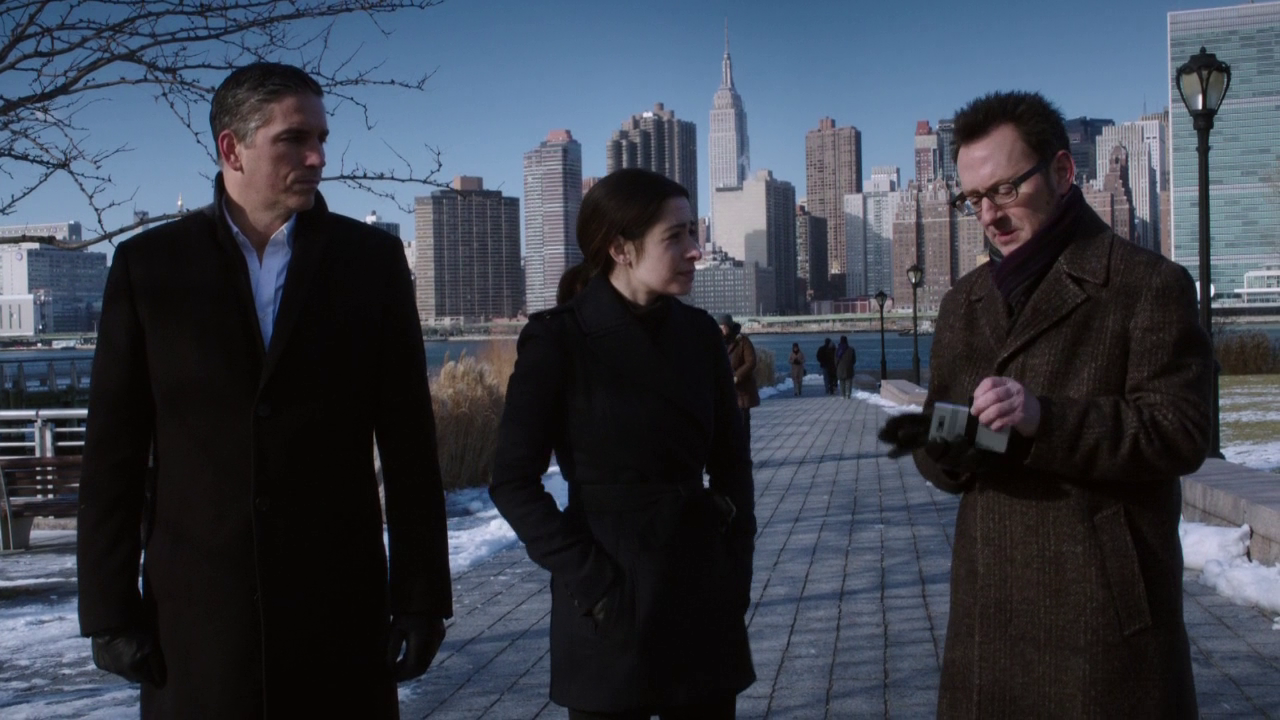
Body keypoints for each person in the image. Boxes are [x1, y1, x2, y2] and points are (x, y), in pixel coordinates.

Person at [76, 62, 452, 717]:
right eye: (294, 139)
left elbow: (409, 444)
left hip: (339, 613)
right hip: (198, 623)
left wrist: (422, 600)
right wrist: (108, 612)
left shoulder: (371, 263)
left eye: (322, 139)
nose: (317, 157)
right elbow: (114, 451)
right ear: (233, 148)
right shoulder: (150, 267)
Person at [878, 91, 1211, 717]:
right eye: (974, 199)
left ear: (1062, 171)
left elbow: (1181, 430)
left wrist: (1045, 421)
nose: (990, 215)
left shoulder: (1147, 285)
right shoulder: (963, 304)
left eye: (1006, 190)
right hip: (987, 623)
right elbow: (942, 439)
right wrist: (944, 447)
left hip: (1103, 619)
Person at [489, 168, 756, 719]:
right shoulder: (558, 339)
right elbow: (512, 482)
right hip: (609, 597)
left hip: (700, 592)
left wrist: (735, 570)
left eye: (693, 232)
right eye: (675, 236)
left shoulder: (700, 334)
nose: (696, 250)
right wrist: (594, 583)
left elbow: (733, 464)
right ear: (620, 249)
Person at [720, 314, 760, 442]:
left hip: (741, 390)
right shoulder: (717, 342)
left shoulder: (742, 341)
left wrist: (737, 376)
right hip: (724, 392)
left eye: (723, 326)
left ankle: (744, 452)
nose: (721, 329)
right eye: (719, 327)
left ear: (729, 326)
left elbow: (751, 362)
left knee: (742, 425)